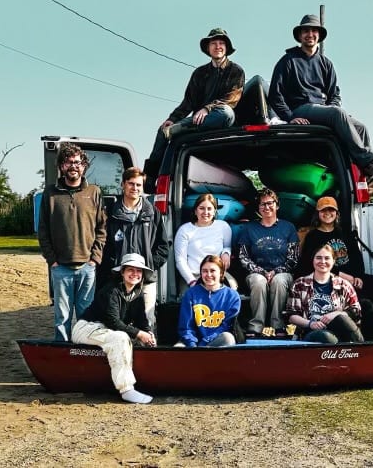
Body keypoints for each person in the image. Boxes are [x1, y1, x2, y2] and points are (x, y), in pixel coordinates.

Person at [268, 14, 373, 179]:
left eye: (314, 31)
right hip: (301, 110)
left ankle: (363, 176)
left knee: (360, 128)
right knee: (337, 114)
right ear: (300, 35)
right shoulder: (288, 61)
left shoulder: (326, 63)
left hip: (324, 110)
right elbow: (275, 95)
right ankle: (367, 161)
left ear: (319, 35)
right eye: (306, 31)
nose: (310, 34)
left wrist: (333, 109)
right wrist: (289, 117)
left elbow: (335, 95)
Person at [145, 28, 245, 176]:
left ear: (227, 48)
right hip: (199, 124)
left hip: (218, 120)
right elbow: (188, 102)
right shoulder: (199, 73)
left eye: (221, 43)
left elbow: (231, 99)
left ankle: (182, 128)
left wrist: (207, 109)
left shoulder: (236, 71)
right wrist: (172, 119)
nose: (218, 46)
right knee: (164, 131)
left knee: (227, 113)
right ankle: (150, 177)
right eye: (214, 43)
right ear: (208, 48)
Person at [295, 196, 373, 340]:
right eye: (324, 210)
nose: (327, 213)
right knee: (366, 305)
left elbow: (357, 258)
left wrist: (359, 277)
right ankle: (370, 338)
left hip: (353, 279)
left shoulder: (345, 233)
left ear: (337, 213)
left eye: (331, 210)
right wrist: (346, 277)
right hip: (333, 282)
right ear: (318, 213)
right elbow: (317, 263)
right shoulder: (313, 236)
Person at [38, 143, 107, 341]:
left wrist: (95, 258)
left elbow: (102, 228)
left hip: (87, 267)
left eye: (77, 162)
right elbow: (43, 231)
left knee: (86, 317)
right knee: (62, 317)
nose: (73, 166)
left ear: (84, 166)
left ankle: (85, 349)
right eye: (68, 162)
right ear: (61, 166)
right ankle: (62, 354)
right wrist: (52, 260)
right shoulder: (50, 194)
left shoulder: (94, 192)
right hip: (61, 268)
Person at [72, 253, 156, 404]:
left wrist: (148, 332)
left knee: (136, 340)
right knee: (120, 338)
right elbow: (113, 322)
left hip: (106, 330)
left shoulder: (137, 294)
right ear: (122, 272)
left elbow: (141, 320)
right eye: (130, 269)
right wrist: (139, 333)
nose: (135, 274)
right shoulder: (111, 291)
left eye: (139, 271)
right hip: (87, 328)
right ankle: (126, 389)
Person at [97, 167, 169, 335]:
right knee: (118, 322)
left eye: (138, 185)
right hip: (118, 280)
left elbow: (164, 246)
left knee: (147, 320)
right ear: (123, 184)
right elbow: (104, 245)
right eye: (131, 184)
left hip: (145, 279)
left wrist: (149, 264)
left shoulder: (152, 213)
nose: (135, 188)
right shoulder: (111, 214)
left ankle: (148, 355)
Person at [237, 188, 300, 336]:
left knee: (279, 281)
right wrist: (262, 272)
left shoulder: (288, 227)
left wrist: (275, 272)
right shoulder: (249, 228)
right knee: (258, 282)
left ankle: (278, 325)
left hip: (283, 273)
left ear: (277, 205)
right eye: (262, 204)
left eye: (270, 203)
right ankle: (256, 326)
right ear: (258, 208)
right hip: (256, 273)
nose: (266, 207)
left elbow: (294, 257)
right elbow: (243, 256)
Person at [286, 244, 364, 344]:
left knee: (341, 319)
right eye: (318, 258)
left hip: (339, 333)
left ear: (333, 261)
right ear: (313, 260)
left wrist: (336, 314)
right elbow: (291, 316)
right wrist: (311, 324)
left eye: (327, 258)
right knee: (325, 336)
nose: (322, 262)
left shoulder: (343, 285)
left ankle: (361, 350)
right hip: (311, 333)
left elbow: (356, 312)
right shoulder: (300, 284)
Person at [174, 193, 237, 295]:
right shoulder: (185, 230)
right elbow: (180, 260)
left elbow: (227, 246)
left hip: (216, 274)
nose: (206, 212)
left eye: (209, 209)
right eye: (201, 208)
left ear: (215, 211)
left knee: (232, 289)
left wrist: (226, 253)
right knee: (190, 299)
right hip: (193, 275)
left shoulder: (223, 227)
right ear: (195, 211)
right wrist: (192, 281)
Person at [176, 255, 241, 347]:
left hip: (215, 342)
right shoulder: (191, 294)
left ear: (221, 273)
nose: (209, 275)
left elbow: (226, 327)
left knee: (228, 338)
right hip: (193, 344)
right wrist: (192, 346)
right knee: (177, 348)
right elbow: (186, 327)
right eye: (205, 271)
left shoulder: (232, 296)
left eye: (212, 271)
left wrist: (204, 344)